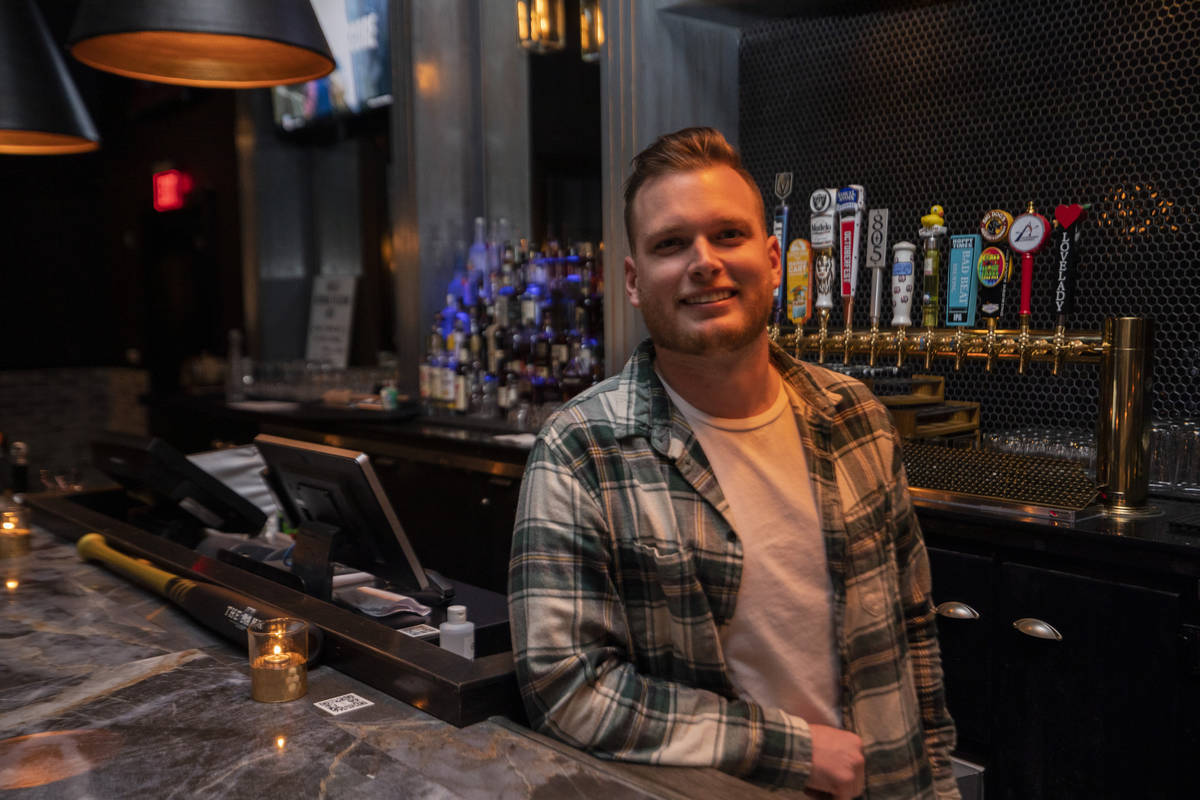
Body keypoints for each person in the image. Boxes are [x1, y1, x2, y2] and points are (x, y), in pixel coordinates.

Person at [508, 127, 958, 799]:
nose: (703, 262)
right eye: (670, 244)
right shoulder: (582, 449)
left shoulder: (856, 416)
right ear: (633, 281)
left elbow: (914, 630)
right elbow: (566, 686)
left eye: (728, 236)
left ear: (773, 260)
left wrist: (938, 787)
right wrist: (794, 752)